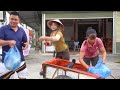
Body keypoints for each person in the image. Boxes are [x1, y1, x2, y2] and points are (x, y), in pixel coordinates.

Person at [0, 11, 29, 79]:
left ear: (19, 20)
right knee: (6, 77)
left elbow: (26, 41)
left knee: (23, 77)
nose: (13, 21)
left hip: (20, 59)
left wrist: (26, 45)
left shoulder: (21, 30)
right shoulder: (3, 29)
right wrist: (8, 42)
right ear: (9, 19)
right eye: (11, 19)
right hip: (7, 61)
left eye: (15, 19)